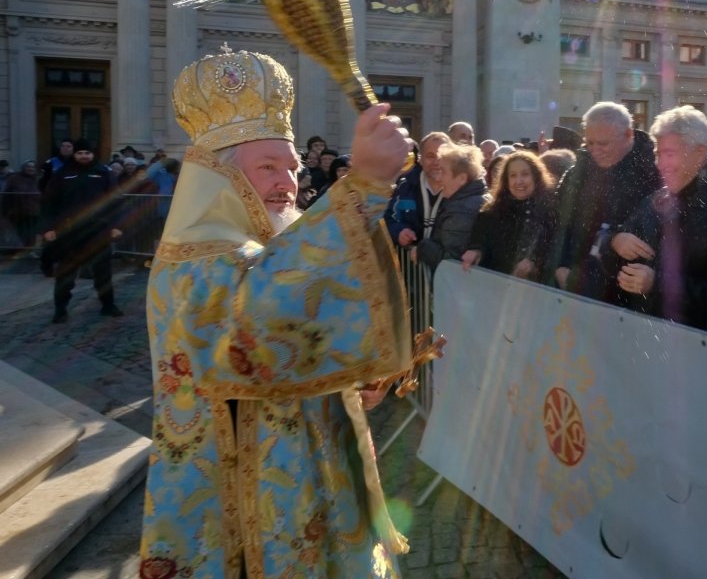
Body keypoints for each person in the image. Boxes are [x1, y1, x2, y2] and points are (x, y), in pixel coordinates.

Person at [140, 48, 436, 578]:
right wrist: (364, 186)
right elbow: (262, 320)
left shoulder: (272, 244)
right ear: (219, 176)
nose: (289, 182)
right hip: (241, 502)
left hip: (307, 481)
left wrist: (351, 377)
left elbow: (302, 327)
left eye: (293, 167)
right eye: (268, 167)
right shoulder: (192, 257)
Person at [605, 106, 707, 329]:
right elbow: (610, 264)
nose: (660, 164)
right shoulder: (654, 202)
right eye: (658, 154)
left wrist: (657, 284)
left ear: (700, 153)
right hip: (642, 333)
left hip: (696, 343)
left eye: (669, 154)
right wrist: (615, 241)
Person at [550, 101, 660, 303]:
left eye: (603, 144)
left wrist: (612, 240)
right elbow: (558, 224)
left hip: (625, 296)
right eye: (590, 143)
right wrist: (559, 267)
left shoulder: (653, 175)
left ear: (628, 135)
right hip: (573, 286)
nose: (595, 150)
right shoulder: (577, 174)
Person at [40, 138, 123, 322]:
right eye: (80, 153)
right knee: (66, 274)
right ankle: (60, 310)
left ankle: (108, 305)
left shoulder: (104, 173)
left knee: (103, 272)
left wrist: (117, 225)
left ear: (93, 154)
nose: (84, 156)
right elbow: (49, 203)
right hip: (70, 232)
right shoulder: (62, 173)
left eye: (87, 153)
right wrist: (48, 228)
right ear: (74, 154)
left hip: (98, 230)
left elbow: (115, 201)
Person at [462, 152, 556, 281]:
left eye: (525, 174)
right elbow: (479, 241)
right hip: (496, 286)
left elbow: (555, 249)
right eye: (513, 175)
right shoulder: (490, 213)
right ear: (506, 181)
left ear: (536, 177)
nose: (519, 181)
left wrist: (535, 262)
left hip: (537, 289)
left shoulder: (551, 212)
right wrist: (476, 251)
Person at [416, 143, 487, 273]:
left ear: (462, 178)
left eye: (443, 172)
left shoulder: (461, 210)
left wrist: (422, 248)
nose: (438, 178)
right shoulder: (476, 200)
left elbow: (452, 261)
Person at [386, 131, 450, 248]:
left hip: (446, 258)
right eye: (430, 156)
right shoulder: (404, 186)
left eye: (442, 156)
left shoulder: (461, 189)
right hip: (410, 258)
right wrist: (399, 232)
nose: (436, 162)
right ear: (420, 159)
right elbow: (388, 218)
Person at [3, 160, 41, 247]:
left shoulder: (37, 180)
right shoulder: (14, 179)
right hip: (17, 213)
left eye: (33, 167)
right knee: (19, 234)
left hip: (33, 213)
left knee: (31, 234)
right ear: (23, 168)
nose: (31, 168)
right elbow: (6, 196)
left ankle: (29, 249)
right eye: (28, 166)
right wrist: (6, 211)